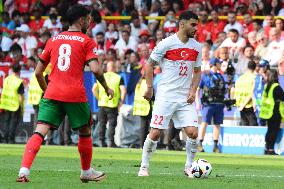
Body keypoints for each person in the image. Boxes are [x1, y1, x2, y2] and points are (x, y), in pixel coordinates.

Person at [16, 5, 114, 183]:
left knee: (39, 131)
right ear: (82, 20)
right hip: (74, 94)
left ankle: (24, 171)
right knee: (85, 130)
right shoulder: (86, 41)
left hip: (52, 92)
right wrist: (107, 87)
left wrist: (48, 91)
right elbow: (96, 70)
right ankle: (86, 171)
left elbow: (38, 72)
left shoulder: (53, 40)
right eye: (89, 18)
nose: (90, 22)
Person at [137, 11, 202, 178]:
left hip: (185, 97)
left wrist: (193, 90)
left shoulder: (196, 47)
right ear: (182, 24)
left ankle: (189, 167)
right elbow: (150, 65)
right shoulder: (166, 44)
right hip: (165, 96)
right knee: (156, 133)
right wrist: (150, 87)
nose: (196, 28)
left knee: (193, 133)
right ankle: (144, 166)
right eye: (193, 24)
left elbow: (197, 71)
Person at [92, 61, 126, 148]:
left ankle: (101, 141)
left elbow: (94, 89)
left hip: (102, 104)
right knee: (112, 124)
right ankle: (111, 142)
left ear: (107, 68)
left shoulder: (101, 77)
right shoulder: (118, 77)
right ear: (114, 68)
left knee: (102, 123)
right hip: (113, 105)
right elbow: (123, 90)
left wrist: (99, 98)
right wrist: (121, 102)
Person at [196, 58, 226, 153]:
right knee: (204, 123)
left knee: (217, 124)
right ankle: (200, 144)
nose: (220, 65)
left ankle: (215, 145)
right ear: (215, 64)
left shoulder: (221, 76)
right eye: (219, 63)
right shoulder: (205, 76)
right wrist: (197, 102)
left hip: (219, 104)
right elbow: (198, 89)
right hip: (208, 104)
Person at [260, 70, 284, 155]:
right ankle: (270, 149)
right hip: (275, 112)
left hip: (268, 112)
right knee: (274, 131)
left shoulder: (267, 86)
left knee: (269, 130)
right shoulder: (276, 87)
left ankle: (267, 148)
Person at [0, 63, 24, 144]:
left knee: (6, 122)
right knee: (13, 122)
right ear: (19, 71)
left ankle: (5, 138)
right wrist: (22, 107)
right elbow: (21, 96)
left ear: (12, 70)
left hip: (6, 103)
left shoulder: (6, 79)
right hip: (15, 105)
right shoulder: (19, 81)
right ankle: (11, 139)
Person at [234, 61, 258, 126]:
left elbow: (233, 90)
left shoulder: (240, 78)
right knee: (253, 128)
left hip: (240, 105)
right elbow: (252, 93)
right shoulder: (255, 78)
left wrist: (240, 105)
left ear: (247, 68)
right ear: (255, 68)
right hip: (249, 106)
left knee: (244, 127)